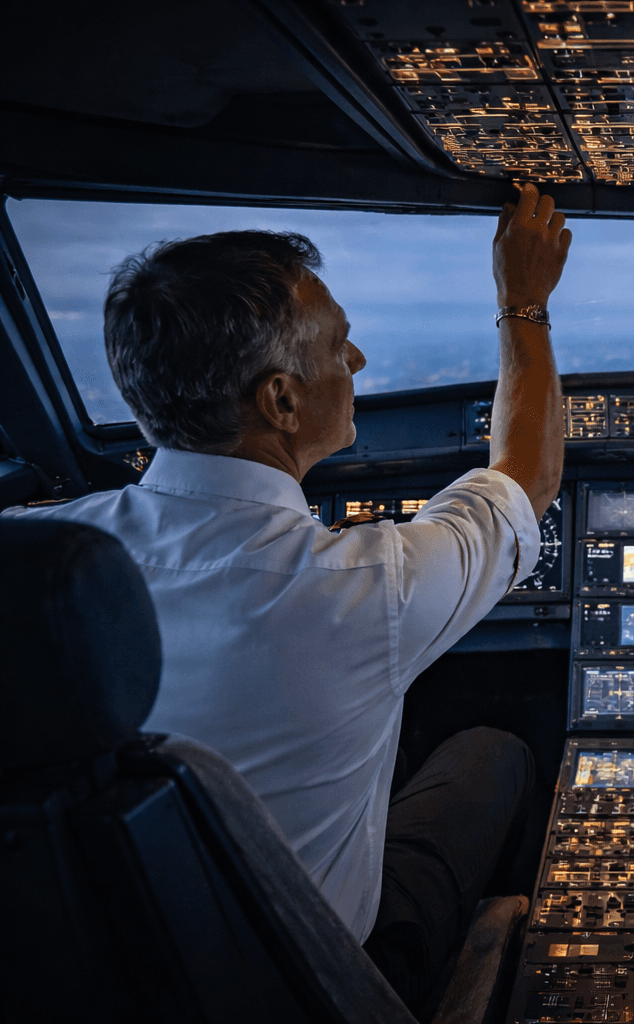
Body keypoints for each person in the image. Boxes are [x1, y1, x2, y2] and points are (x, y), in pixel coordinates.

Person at [4, 183, 571, 1017]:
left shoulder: (30, 563)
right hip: (321, 979)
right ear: (280, 399)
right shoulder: (367, 590)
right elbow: (528, 471)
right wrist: (523, 302)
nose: (360, 363)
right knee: (496, 750)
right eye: (340, 345)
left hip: (77, 975)